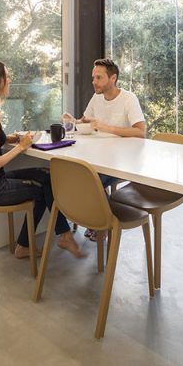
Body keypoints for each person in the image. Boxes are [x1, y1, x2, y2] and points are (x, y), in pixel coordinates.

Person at [0, 61, 85, 259]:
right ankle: (48, 239)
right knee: (44, 190)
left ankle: (61, 235)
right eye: (6, 77)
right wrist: (21, 147)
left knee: (47, 175)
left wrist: (9, 139)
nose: (9, 80)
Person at [63, 57, 146, 240]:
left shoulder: (128, 98)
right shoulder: (97, 97)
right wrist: (73, 121)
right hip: (98, 157)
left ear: (113, 78)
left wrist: (107, 128)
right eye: (93, 77)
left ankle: (102, 224)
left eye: (99, 78)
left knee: (90, 180)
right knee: (75, 174)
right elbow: (85, 121)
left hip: (121, 163)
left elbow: (141, 132)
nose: (94, 82)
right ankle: (92, 221)